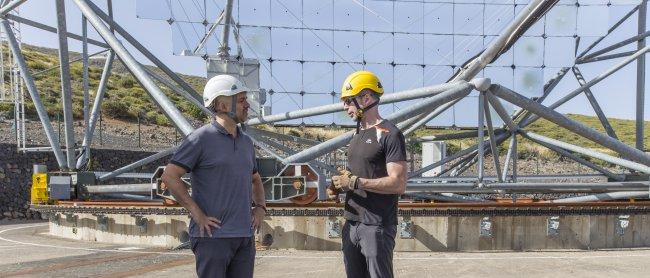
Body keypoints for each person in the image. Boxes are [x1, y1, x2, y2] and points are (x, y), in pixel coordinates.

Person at [161, 74, 266, 278]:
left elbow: (255, 179)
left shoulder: (246, 143)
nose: (248, 105)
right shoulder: (200, 139)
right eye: (242, 99)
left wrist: (261, 207)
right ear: (222, 105)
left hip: (244, 237)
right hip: (212, 238)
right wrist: (197, 213)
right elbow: (170, 176)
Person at [328, 70, 408, 278]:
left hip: (377, 225)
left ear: (366, 98)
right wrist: (338, 186)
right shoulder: (357, 134)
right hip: (352, 222)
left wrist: (355, 182)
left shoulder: (390, 134)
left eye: (348, 101)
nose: (345, 107)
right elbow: (359, 175)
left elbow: (398, 184)